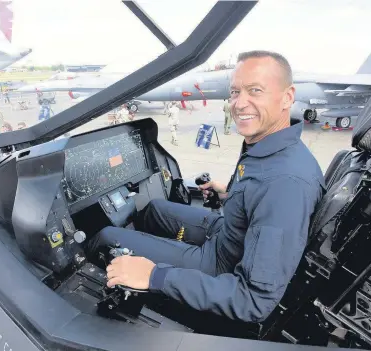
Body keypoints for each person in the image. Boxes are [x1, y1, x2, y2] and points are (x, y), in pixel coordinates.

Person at [86, 50, 325, 324]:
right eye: (235, 92)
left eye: (255, 91)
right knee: (154, 210)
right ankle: (146, 253)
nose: (239, 103)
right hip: (226, 233)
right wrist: (228, 193)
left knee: (105, 237)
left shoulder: (285, 185)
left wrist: (154, 275)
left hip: (220, 265)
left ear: (287, 97)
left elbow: (253, 301)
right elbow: (258, 198)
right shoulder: (269, 148)